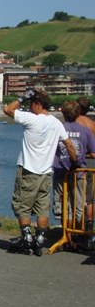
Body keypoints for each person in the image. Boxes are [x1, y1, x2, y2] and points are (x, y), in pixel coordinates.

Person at [3, 88, 77, 256]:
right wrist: (74, 163)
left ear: (37, 104)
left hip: (28, 170)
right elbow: (69, 145)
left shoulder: (31, 119)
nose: (29, 107)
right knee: (42, 208)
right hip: (46, 172)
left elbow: (8, 110)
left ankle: (27, 239)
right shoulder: (56, 123)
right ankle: (40, 239)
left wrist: (23, 97)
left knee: (23, 206)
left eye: (31, 104)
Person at [52, 100, 95, 249]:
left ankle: (67, 236)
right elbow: (93, 152)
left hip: (60, 170)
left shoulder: (58, 128)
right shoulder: (86, 129)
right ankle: (79, 234)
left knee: (63, 205)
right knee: (80, 204)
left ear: (63, 113)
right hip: (79, 172)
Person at [75, 97, 95, 247]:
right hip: (92, 162)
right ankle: (89, 226)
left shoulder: (75, 123)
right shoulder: (92, 124)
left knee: (76, 196)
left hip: (79, 162)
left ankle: (76, 228)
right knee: (90, 198)